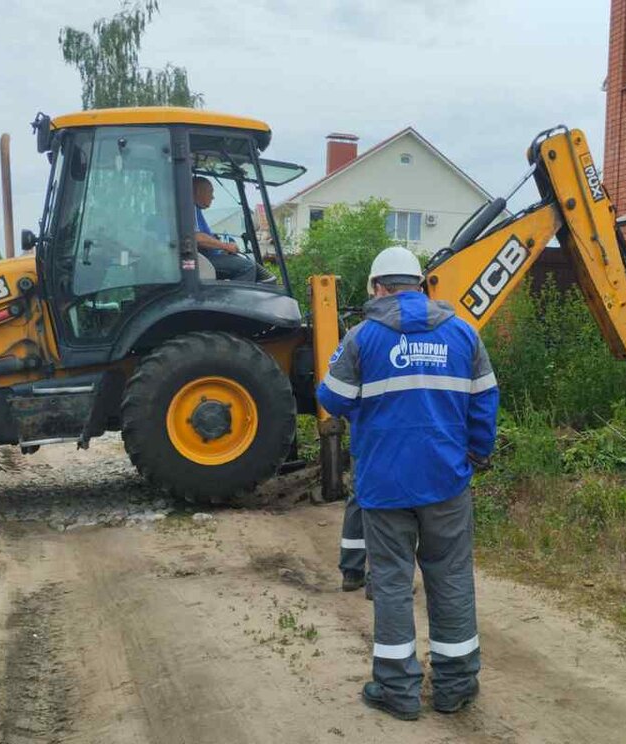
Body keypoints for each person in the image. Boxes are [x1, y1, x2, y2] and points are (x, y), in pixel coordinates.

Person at [317, 246, 499, 721]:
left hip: (384, 484)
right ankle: (455, 686)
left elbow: (330, 399)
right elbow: (485, 402)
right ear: (420, 284)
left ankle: (397, 690)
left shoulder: (361, 338)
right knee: (452, 577)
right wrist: (476, 453)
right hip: (446, 481)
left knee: (393, 584)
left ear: (378, 288)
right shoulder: (463, 333)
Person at [193, 176, 273, 283]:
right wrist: (226, 246)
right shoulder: (190, 208)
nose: (213, 197)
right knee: (248, 267)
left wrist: (221, 247)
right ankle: (232, 299)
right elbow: (197, 237)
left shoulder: (195, 210)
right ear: (198, 192)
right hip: (200, 261)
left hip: (205, 257)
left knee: (247, 263)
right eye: (210, 192)